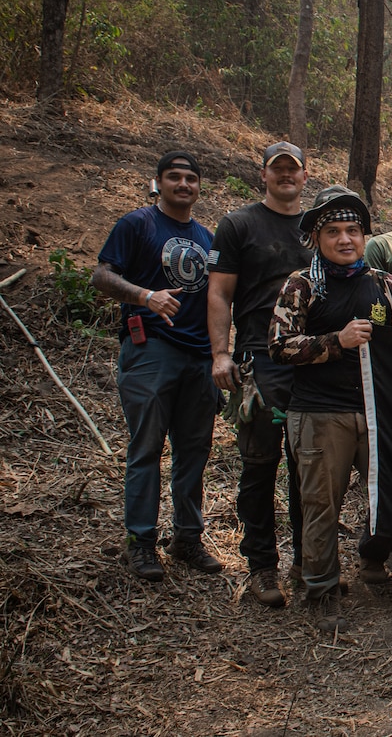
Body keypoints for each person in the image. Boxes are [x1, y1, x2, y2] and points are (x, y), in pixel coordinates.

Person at [269, 187, 392, 632]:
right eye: (334, 232)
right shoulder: (303, 284)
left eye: (353, 231)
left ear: (364, 237)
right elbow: (278, 346)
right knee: (321, 505)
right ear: (318, 238)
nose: (345, 239)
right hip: (320, 413)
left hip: (377, 413)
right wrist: (334, 342)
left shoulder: (383, 284)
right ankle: (322, 590)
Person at [92, 151, 221, 581]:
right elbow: (102, 276)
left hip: (199, 356)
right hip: (151, 350)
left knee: (194, 452)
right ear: (159, 183)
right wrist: (145, 296)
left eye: (190, 178)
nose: (183, 184)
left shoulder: (206, 237)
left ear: (199, 187)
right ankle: (141, 542)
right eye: (174, 177)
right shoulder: (137, 224)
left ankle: (187, 538)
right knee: (147, 449)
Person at [207, 141, 311, 608]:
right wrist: (220, 354)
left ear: (304, 176)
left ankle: (307, 562)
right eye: (277, 168)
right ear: (264, 174)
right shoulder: (239, 225)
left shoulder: (316, 228)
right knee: (259, 464)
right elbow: (218, 293)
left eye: (293, 169)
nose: (286, 175)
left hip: (308, 359)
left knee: (308, 466)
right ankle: (261, 566)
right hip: (257, 359)